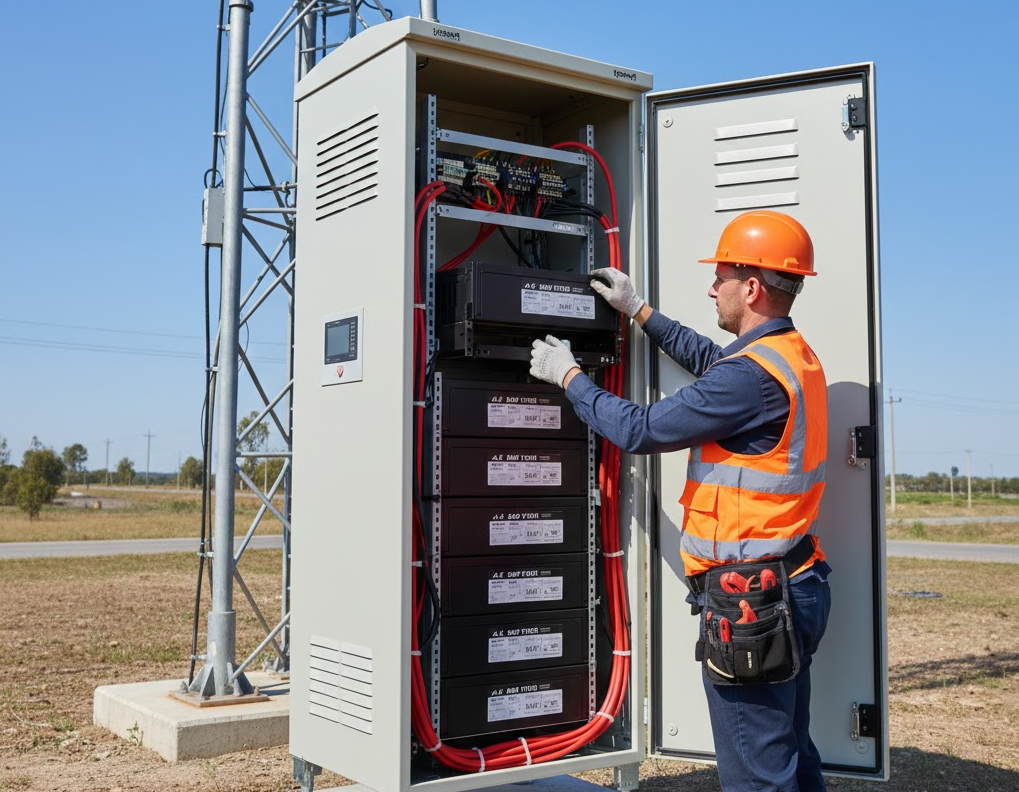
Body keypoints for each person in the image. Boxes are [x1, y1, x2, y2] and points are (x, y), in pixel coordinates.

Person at [528, 210, 832, 792]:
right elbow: (708, 359)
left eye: (720, 277)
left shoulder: (750, 378)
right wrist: (638, 311)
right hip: (797, 580)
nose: (711, 288)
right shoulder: (790, 357)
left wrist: (569, 378)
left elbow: (641, 430)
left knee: (759, 777)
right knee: (791, 754)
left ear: (752, 287)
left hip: (754, 603)